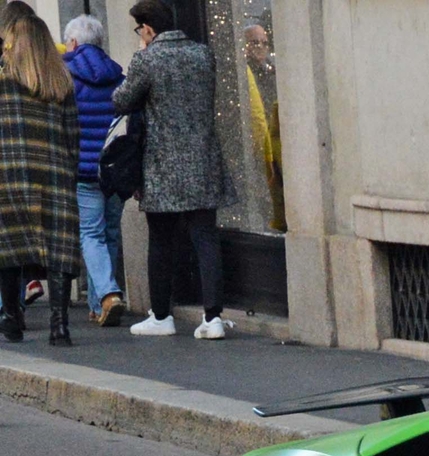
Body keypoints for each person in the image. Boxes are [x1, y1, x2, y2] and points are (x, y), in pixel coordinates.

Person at [114, 0, 231, 339]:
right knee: (205, 237)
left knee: (161, 240)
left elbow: (121, 101)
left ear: (148, 28)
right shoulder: (203, 54)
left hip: (163, 164)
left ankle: (162, 315)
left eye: (140, 29)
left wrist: (141, 55)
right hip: (203, 159)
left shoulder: (147, 59)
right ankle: (213, 318)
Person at [0, 5, 78, 344]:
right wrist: (68, 170)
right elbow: (72, 136)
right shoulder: (62, 83)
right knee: (59, 247)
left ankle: (11, 317)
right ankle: (59, 326)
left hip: (9, 174)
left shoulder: (3, 82)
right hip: (55, 173)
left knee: (8, 246)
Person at [60, 13, 124, 325]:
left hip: (83, 170)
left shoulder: (65, 76)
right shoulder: (118, 74)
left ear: (72, 42)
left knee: (90, 233)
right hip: (114, 169)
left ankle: (108, 294)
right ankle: (99, 305)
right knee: (110, 232)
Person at [240, 17, 282, 230]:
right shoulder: (242, 73)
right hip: (257, 143)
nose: (261, 47)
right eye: (255, 42)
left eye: (264, 42)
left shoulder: (272, 72)